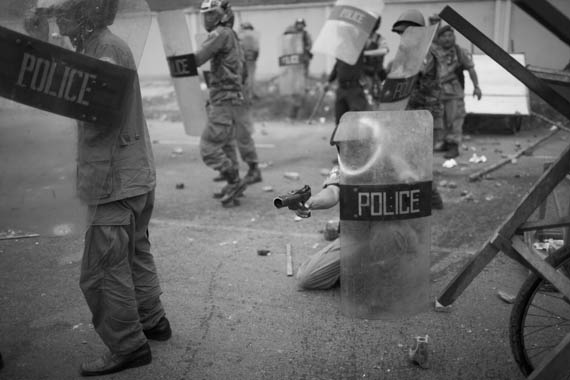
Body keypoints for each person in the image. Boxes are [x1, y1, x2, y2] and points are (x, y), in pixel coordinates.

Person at [50, 0, 171, 376]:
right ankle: (153, 322)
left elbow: (102, 112)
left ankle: (127, 346)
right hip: (128, 173)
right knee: (133, 254)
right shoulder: (99, 46)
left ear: (87, 13)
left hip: (115, 179)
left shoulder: (104, 49)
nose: (59, 19)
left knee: (101, 271)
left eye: (66, 12)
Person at [194, 0, 253, 205]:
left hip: (224, 98)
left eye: (212, 14)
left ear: (224, 15)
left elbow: (197, 58)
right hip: (233, 97)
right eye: (206, 15)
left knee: (209, 147)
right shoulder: (233, 36)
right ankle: (234, 183)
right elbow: (244, 72)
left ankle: (234, 181)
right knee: (227, 143)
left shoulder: (221, 33)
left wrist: (176, 59)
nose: (207, 19)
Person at [392, 9, 444, 210]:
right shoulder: (412, 51)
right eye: (400, 34)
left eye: (405, 32)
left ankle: (429, 199)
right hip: (413, 114)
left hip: (425, 115)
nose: (402, 37)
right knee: (410, 158)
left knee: (417, 159)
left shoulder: (425, 52)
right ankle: (425, 198)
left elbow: (413, 72)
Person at [210, 12, 262, 190]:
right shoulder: (234, 48)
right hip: (231, 98)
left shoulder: (238, 48)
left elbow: (243, 76)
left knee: (240, 136)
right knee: (229, 136)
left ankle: (251, 170)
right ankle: (234, 175)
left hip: (238, 98)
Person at [436, 25, 482, 159]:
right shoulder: (434, 52)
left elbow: (471, 69)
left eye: (450, 36)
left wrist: (476, 87)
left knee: (455, 119)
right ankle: (445, 142)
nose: (447, 39)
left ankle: (454, 146)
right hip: (439, 92)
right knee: (442, 120)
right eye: (444, 36)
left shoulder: (459, 51)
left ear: (454, 37)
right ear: (438, 38)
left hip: (454, 92)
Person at [362, 17, 390, 108]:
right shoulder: (361, 38)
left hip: (376, 74)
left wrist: (365, 53)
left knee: (378, 100)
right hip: (363, 74)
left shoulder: (379, 38)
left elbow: (384, 50)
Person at [238, 22, 259, 100]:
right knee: (250, 77)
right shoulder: (253, 36)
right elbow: (257, 50)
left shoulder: (241, 36)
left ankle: (246, 95)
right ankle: (250, 94)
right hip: (250, 59)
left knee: (244, 77)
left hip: (243, 59)